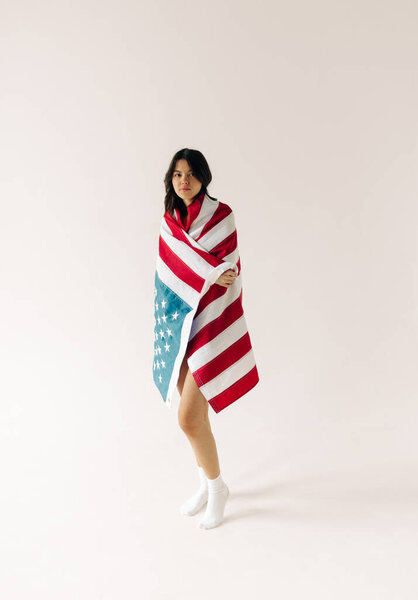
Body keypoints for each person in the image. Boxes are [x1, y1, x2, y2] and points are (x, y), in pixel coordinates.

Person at [161, 148, 256, 529]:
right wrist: (209, 272)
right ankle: (205, 482)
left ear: (204, 177)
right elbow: (170, 269)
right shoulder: (171, 220)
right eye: (177, 174)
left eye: (191, 174)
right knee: (195, 416)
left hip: (211, 324)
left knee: (187, 418)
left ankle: (218, 489)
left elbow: (227, 268)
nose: (183, 181)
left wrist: (215, 272)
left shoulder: (222, 215)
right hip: (182, 323)